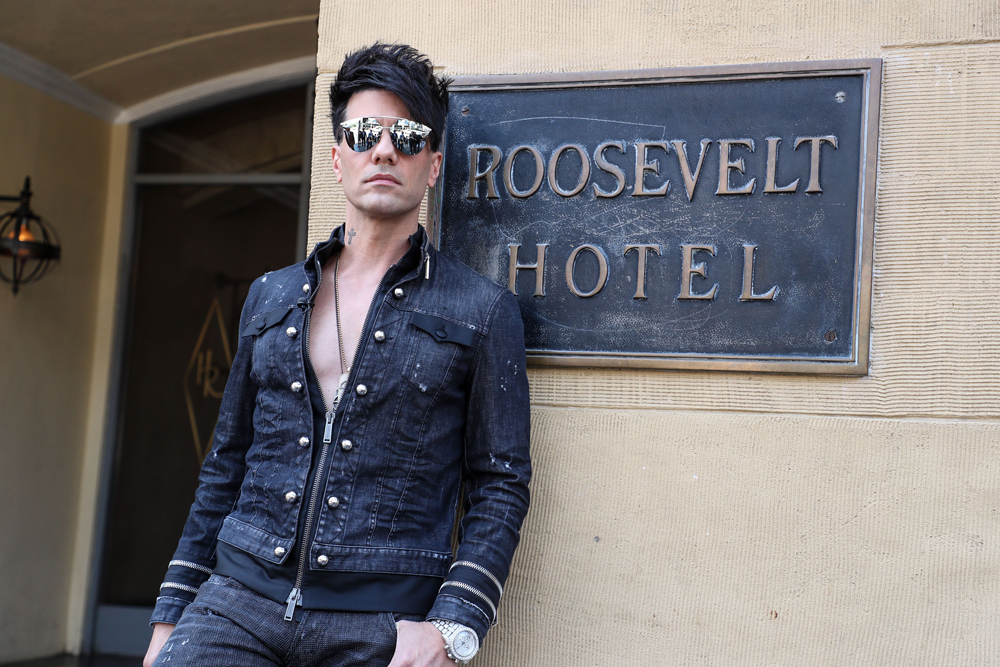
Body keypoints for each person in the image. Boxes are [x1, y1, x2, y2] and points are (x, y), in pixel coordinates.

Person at [143, 43, 531, 667]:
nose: (383, 150)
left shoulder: (481, 310)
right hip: (236, 603)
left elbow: (500, 484)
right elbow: (226, 464)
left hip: (381, 625)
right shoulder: (270, 296)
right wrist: (172, 613)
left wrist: (453, 626)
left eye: (407, 136)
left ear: (433, 165)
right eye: (362, 134)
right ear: (337, 157)